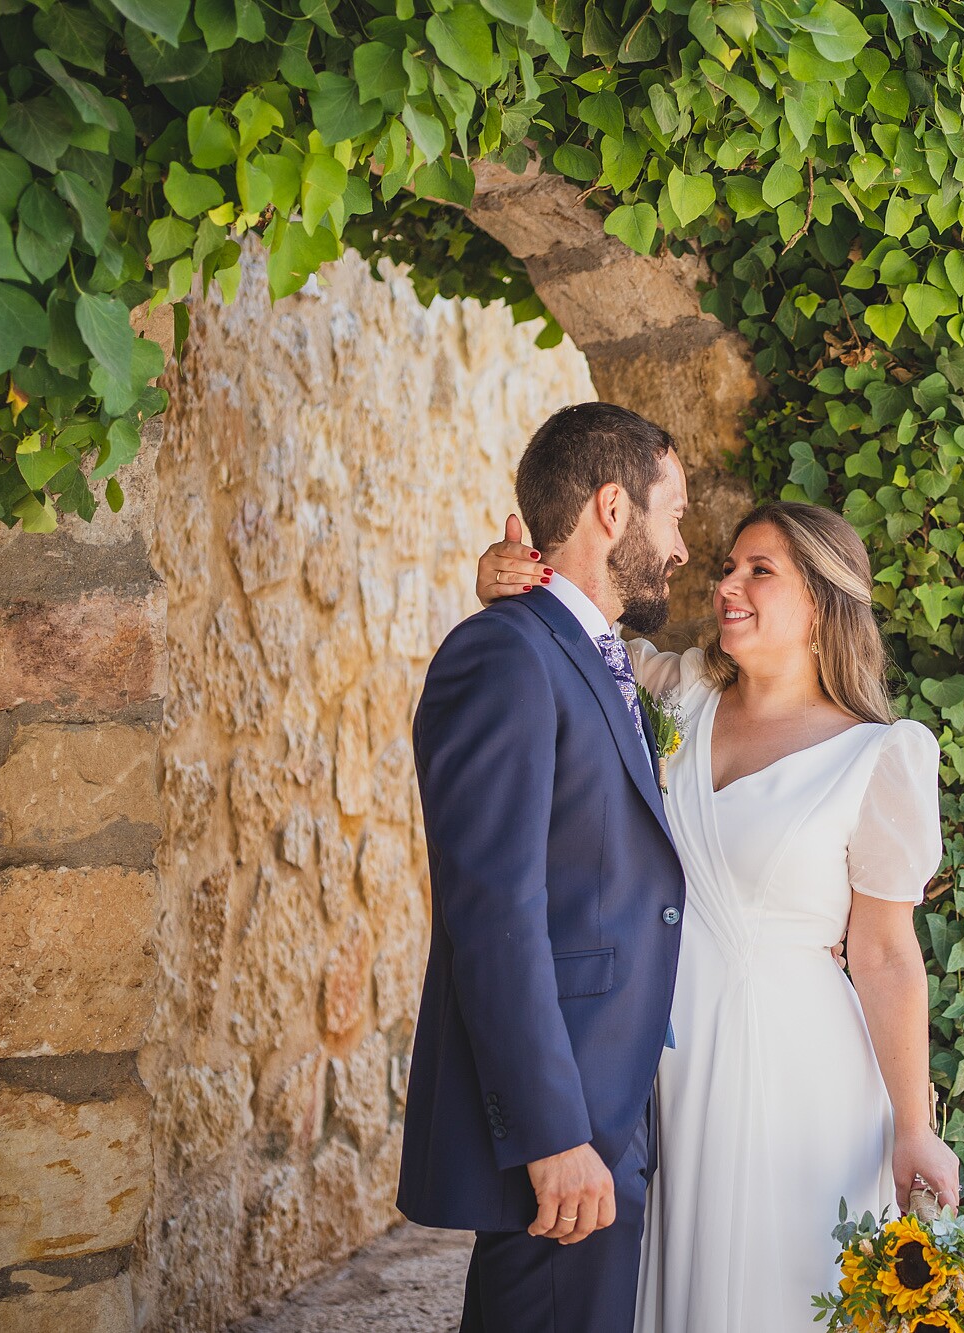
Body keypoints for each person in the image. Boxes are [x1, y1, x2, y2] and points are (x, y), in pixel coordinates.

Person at [475, 496, 961, 1333]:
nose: (728, 583)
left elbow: (883, 955)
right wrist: (515, 584)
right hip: (662, 1062)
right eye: (728, 566)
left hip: (798, 1073)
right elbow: (576, 645)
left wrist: (913, 1126)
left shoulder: (881, 756)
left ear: (821, 603)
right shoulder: (685, 694)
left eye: (759, 570)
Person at [399, 402, 691, 1333]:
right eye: (672, 514)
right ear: (614, 507)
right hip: (566, 1123)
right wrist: (553, 1131)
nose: (682, 547)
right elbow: (494, 915)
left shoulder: (594, 656)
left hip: (611, 1101)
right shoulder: (504, 653)